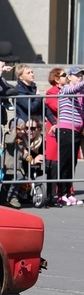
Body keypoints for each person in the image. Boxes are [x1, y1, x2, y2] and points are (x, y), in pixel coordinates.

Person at [53, 67, 84, 206]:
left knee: (72, 163)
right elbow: (73, 90)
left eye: (81, 75)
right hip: (66, 130)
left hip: (77, 131)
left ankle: (68, 193)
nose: (80, 77)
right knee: (65, 162)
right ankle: (60, 194)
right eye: (77, 75)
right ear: (70, 77)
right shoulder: (65, 88)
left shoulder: (80, 93)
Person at [44, 68, 65, 206]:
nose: (67, 77)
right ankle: (53, 194)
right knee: (53, 162)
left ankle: (65, 191)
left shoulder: (68, 91)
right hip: (54, 130)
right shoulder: (51, 92)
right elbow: (58, 107)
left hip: (65, 129)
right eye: (64, 75)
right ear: (57, 79)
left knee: (64, 161)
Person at [0, 120, 30, 208]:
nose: (23, 131)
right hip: (9, 165)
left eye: (24, 129)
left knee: (17, 178)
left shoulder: (20, 140)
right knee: (6, 184)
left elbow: (21, 152)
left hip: (18, 166)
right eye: (21, 129)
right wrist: (14, 132)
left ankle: (9, 198)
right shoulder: (8, 135)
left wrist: (26, 156)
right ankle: (7, 198)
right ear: (14, 128)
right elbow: (9, 142)